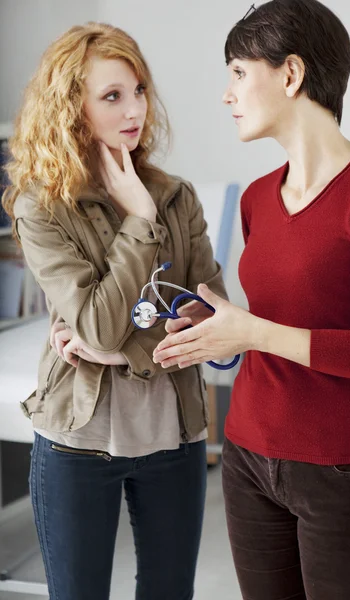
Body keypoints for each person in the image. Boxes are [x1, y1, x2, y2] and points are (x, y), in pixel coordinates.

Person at [152, 1, 350, 598]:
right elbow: (273, 323)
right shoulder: (257, 199)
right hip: (246, 455)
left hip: (346, 469)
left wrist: (254, 331)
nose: (227, 93)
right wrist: (215, 328)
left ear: (290, 74)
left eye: (239, 72)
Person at [2, 22, 226, 600]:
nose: (135, 110)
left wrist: (107, 344)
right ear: (72, 109)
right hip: (77, 441)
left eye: (140, 91)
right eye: (112, 96)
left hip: (174, 436)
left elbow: (209, 314)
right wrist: (138, 219)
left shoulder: (177, 195)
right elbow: (99, 322)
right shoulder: (42, 206)